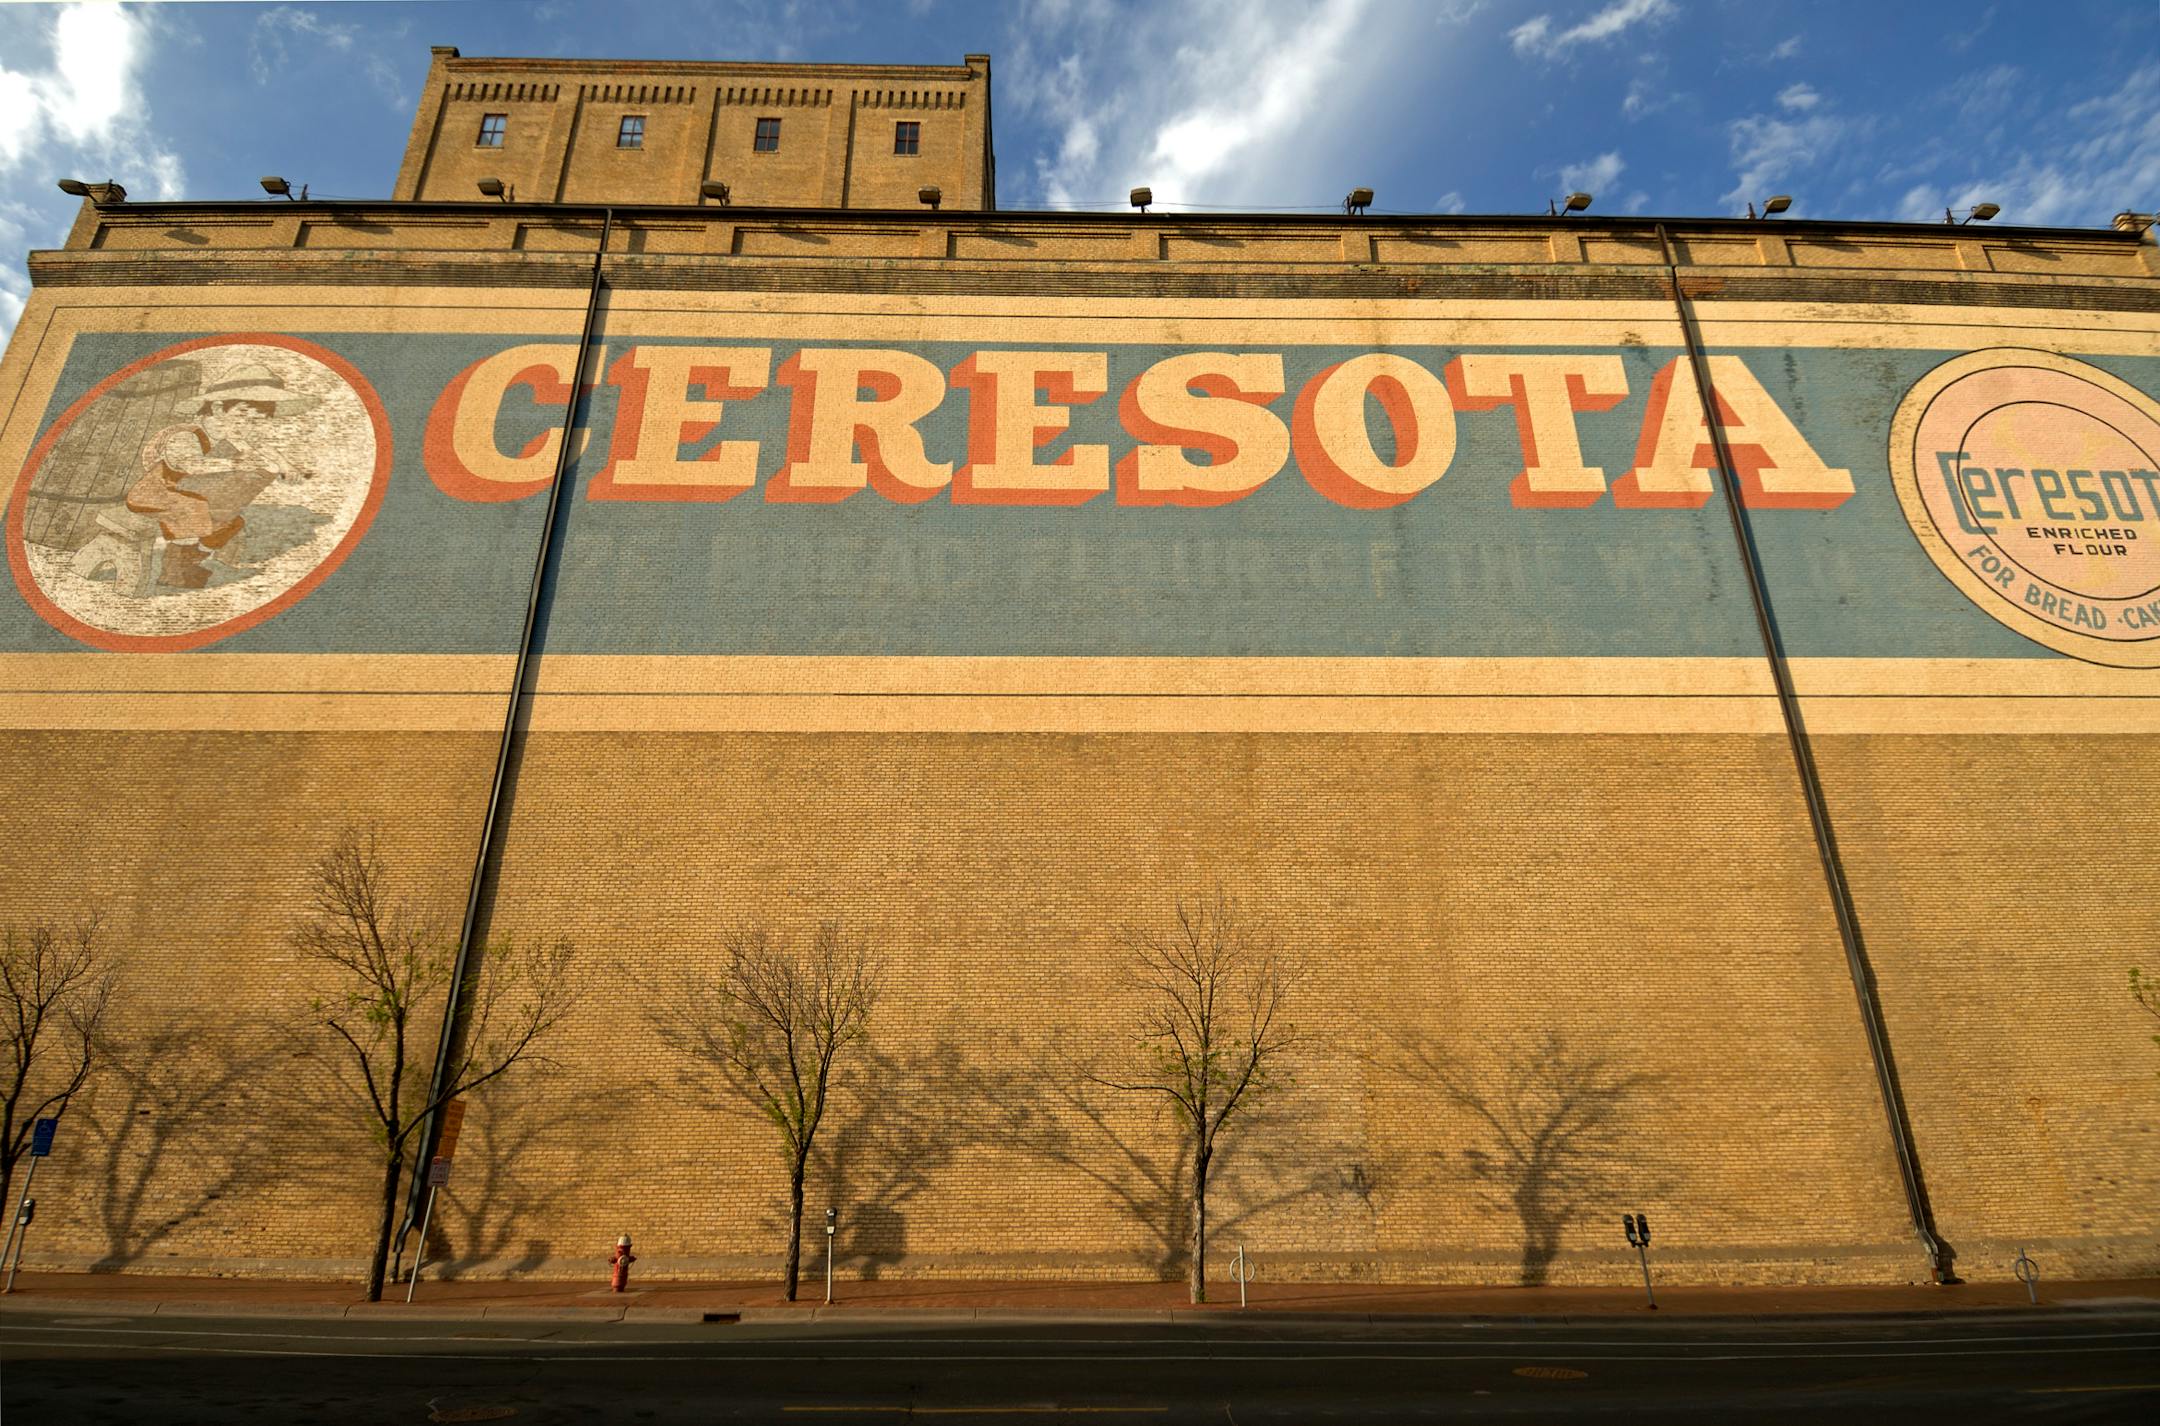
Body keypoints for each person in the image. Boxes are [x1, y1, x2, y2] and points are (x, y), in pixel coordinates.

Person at [125, 363, 316, 589]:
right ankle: (172, 573)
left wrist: (286, 466)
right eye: (243, 414)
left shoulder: (234, 435)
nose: (247, 425)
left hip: (192, 493)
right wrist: (234, 463)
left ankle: (193, 561)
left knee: (230, 522)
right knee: (193, 512)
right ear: (217, 409)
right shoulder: (187, 435)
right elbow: (188, 463)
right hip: (159, 493)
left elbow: (262, 447)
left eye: (257, 419)